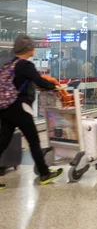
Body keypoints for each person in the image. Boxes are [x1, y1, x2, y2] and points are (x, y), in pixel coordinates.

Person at [0, 35, 64, 190]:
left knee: (3, 141)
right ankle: (44, 174)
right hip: (20, 108)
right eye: (33, 47)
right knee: (34, 141)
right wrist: (55, 87)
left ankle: (44, 172)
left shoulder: (12, 64)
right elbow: (40, 81)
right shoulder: (25, 65)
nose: (34, 49)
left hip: (6, 108)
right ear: (28, 49)